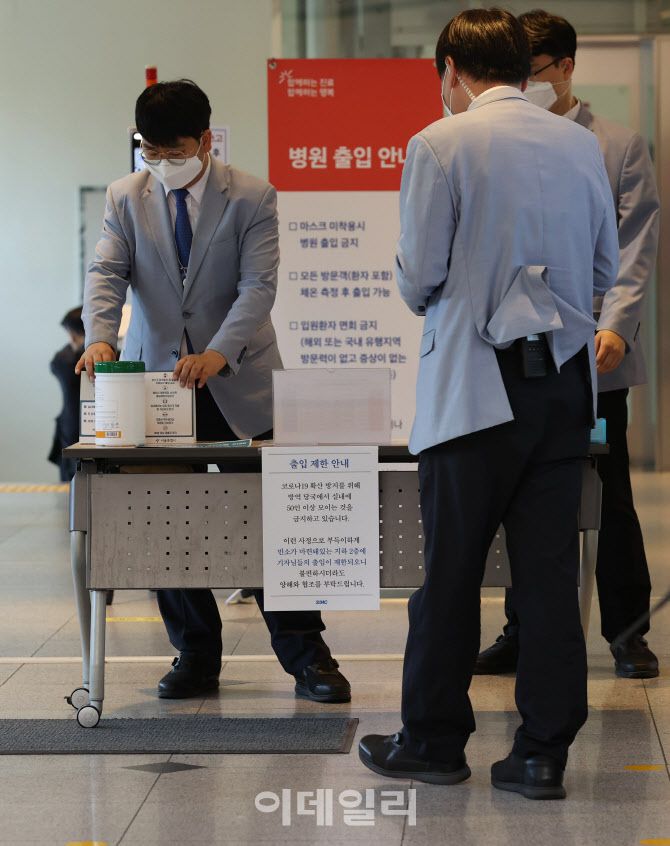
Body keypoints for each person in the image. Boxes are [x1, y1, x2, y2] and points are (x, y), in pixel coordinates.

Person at [358, 8, 619, 799]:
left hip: (475, 387)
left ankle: (433, 742)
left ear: (451, 70)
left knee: (451, 573)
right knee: (548, 577)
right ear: (525, 65)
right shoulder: (579, 144)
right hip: (563, 386)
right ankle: (541, 754)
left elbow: (419, 276)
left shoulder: (441, 142)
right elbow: (603, 270)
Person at [77, 79, 350, 704]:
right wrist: (101, 338)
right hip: (157, 387)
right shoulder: (125, 197)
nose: (161, 163)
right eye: (149, 151)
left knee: (272, 521)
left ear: (205, 140)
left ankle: (307, 657)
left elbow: (258, 286)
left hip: (240, 381)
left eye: (173, 151)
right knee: (164, 519)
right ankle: (195, 654)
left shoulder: (252, 195)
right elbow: (107, 272)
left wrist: (219, 351)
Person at [476, 9, 660, 681]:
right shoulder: (493, 140)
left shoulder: (618, 145)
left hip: (596, 349)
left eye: (534, 71)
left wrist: (617, 324)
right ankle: (521, 628)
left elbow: (636, 246)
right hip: (515, 350)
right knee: (520, 490)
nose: (524, 84)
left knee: (609, 494)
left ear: (567, 68)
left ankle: (628, 632)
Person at [49, 307, 85, 481]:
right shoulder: (113, 356)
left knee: (70, 486)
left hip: (71, 430)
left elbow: (57, 364)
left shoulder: (64, 361)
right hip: (75, 430)